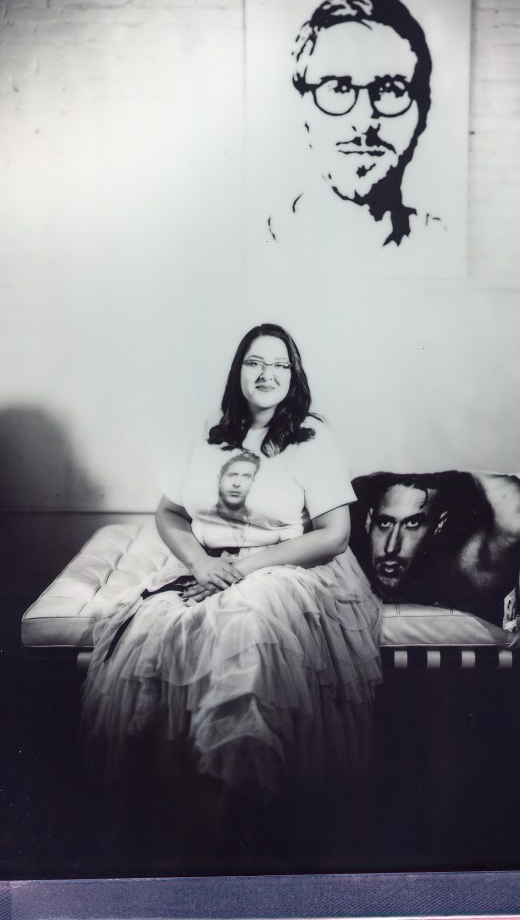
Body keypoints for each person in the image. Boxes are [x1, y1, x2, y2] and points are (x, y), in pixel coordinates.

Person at [81, 323, 382, 809]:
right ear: (238, 371)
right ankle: (171, 804)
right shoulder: (210, 431)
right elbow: (169, 512)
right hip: (207, 566)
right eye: (255, 362)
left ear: (294, 375)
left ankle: (237, 806)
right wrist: (200, 563)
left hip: (283, 568)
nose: (267, 374)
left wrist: (243, 570)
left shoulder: (309, 436)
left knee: (245, 627)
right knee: (155, 628)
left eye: (280, 365)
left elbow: (334, 535)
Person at [268, 0, 447, 265]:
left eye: (390, 89)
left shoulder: (439, 243)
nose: (364, 122)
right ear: (301, 108)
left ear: (422, 113)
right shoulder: (270, 243)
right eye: (338, 88)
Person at [363, 472, 520, 626]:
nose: (391, 547)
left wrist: (455, 458)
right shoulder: (350, 563)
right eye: (384, 523)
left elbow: (519, 516)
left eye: (413, 523)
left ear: (439, 524)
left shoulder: (452, 576)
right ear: (369, 520)